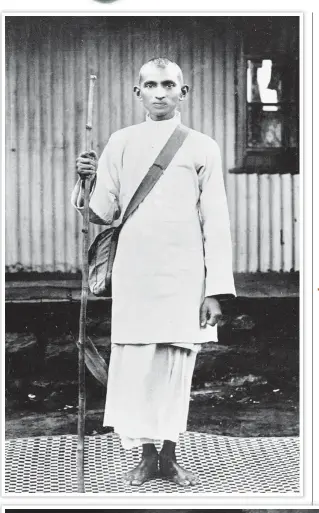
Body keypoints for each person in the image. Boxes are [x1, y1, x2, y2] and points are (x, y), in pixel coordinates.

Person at [72, 57, 236, 487]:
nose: (159, 92)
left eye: (168, 84)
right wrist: (85, 179)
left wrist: (214, 289)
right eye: (150, 84)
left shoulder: (202, 146)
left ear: (183, 92)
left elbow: (215, 220)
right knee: (139, 367)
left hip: (185, 277)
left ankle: (172, 455)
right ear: (137, 92)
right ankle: (147, 458)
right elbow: (102, 213)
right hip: (135, 273)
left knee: (175, 366)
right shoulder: (121, 142)